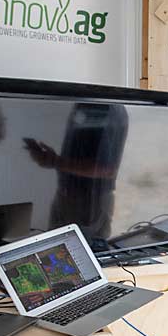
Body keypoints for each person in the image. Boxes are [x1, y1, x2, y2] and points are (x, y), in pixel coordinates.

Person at [25, 102, 129, 243]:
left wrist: (56, 162)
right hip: (66, 197)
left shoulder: (105, 107)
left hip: (88, 204)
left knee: (84, 255)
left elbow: (107, 169)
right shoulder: (82, 104)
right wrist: (54, 161)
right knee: (56, 254)